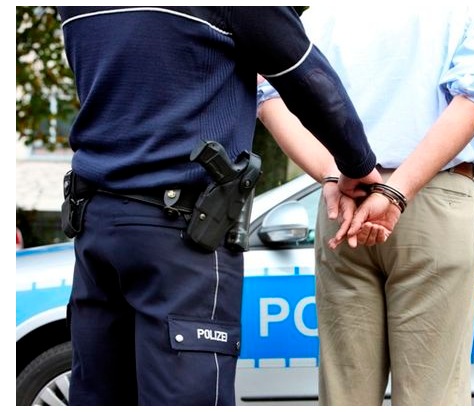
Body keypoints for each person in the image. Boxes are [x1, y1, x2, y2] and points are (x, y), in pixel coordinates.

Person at [56, 6, 381, 406]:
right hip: (182, 233)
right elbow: (307, 79)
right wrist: (358, 165)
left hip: (96, 226)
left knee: (100, 394)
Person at [257, 5, 474, 406]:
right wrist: (397, 192)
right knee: (432, 396)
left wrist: (330, 173)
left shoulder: (323, 12)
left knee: (345, 394)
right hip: (432, 196)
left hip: (345, 199)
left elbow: (268, 94)